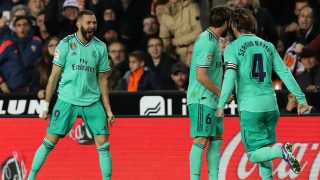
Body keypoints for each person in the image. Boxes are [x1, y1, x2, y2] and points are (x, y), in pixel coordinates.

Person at [215, 8, 310, 179]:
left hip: (251, 108)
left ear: (234, 26)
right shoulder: (268, 46)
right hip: (271, 106)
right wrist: (301, 99)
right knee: (265, 150)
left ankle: (282, 151)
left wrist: (221, 104)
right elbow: (285, 73)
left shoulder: (233, 48)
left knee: (253, 154)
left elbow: (229, 77)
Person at [27, 10, 114, 180]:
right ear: (79, 24)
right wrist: (45, 105)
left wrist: (108, 110)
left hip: (92, 101)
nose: (92, 26)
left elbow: (103, 80)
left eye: (94, 23)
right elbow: (53, 77)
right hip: (67, 100)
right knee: (49, 142)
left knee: (103, 143)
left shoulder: (101, 47)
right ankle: (30, 177)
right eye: (88, 23)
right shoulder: (65, 44)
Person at [186, 6, 231, 180]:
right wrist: (222, 93)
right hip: (202, 97)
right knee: (201, 139)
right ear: (226, 22)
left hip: (213, 99)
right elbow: (201, 76)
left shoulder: (214, 40)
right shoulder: (207, 41)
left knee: (216, 137)